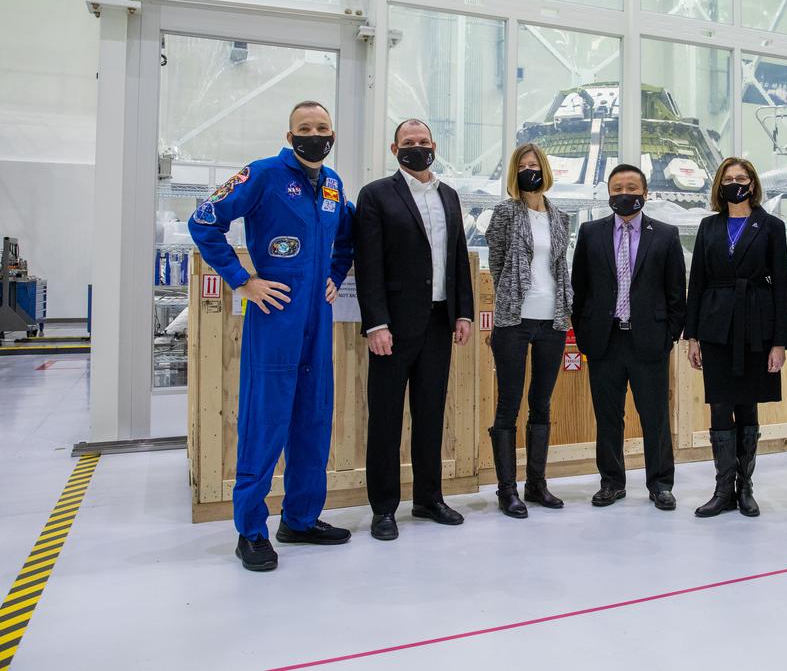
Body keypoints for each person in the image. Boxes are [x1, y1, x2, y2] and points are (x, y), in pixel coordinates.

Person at [188, 101, 354, 572]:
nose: (314, 134)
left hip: (317, 323)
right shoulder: (261, 175)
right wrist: (242, 280)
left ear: (332, 134)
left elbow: (348, 238)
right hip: (275, 317)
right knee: (265, 424)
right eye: (305, 128)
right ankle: (251, 530)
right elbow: (203, 221)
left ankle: (300, 518)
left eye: (322, 127)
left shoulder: (335, 186)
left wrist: (336, 275)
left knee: (313, 421)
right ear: (289, 134)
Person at [354, 119, 474, 541]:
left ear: (434, 146)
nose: (417, 148)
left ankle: (428, 498)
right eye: (409, 143)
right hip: (393, 327)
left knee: (430, 415)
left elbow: (457, 257)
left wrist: (464, 313)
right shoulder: (376, 196)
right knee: (385, 419)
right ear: (394, 149)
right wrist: (376, 324)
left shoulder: (449, 196)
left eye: (423, 142)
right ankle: (383, 508)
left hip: (440, 322)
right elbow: (368, 265)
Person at [571, 163, 686, 511]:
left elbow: (676, 293)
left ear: (645, 193)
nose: (625, 194)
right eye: (617, 188)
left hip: (648, 339)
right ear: (608, 193)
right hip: (605, 341)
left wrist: (668, 336)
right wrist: (585, 332)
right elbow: (580, 288)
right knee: (608, 417)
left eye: (632, 188)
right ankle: (611, 482)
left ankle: (660, 484)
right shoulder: (590, 233)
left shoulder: (665, 234)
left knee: (655, 417)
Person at [685, 158, 787, 518]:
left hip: (756, 323)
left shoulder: (771, 226)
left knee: (747, 404)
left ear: (752, 182)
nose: (735, 183)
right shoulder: (708, 226)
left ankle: (745, 489)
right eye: (728, 179)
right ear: (719, 185)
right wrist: (693, 335)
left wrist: (780, 342)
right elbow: (696, 281)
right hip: (715, 325)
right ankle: (722, 489)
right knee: (719, 403)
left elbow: (782, 285)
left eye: (741, 177)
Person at [484, 143, 573, 517]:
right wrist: (511, 297)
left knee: (542, 402)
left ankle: (536, 484)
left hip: (552, 320)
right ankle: (507, 490)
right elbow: (498, 260)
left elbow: (558, 264)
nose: (530, 170)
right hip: (513, 320)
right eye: (523, 166)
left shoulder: (560, 216)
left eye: (535, 165)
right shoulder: (505, 212)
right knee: (509, 404)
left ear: (545, 170)